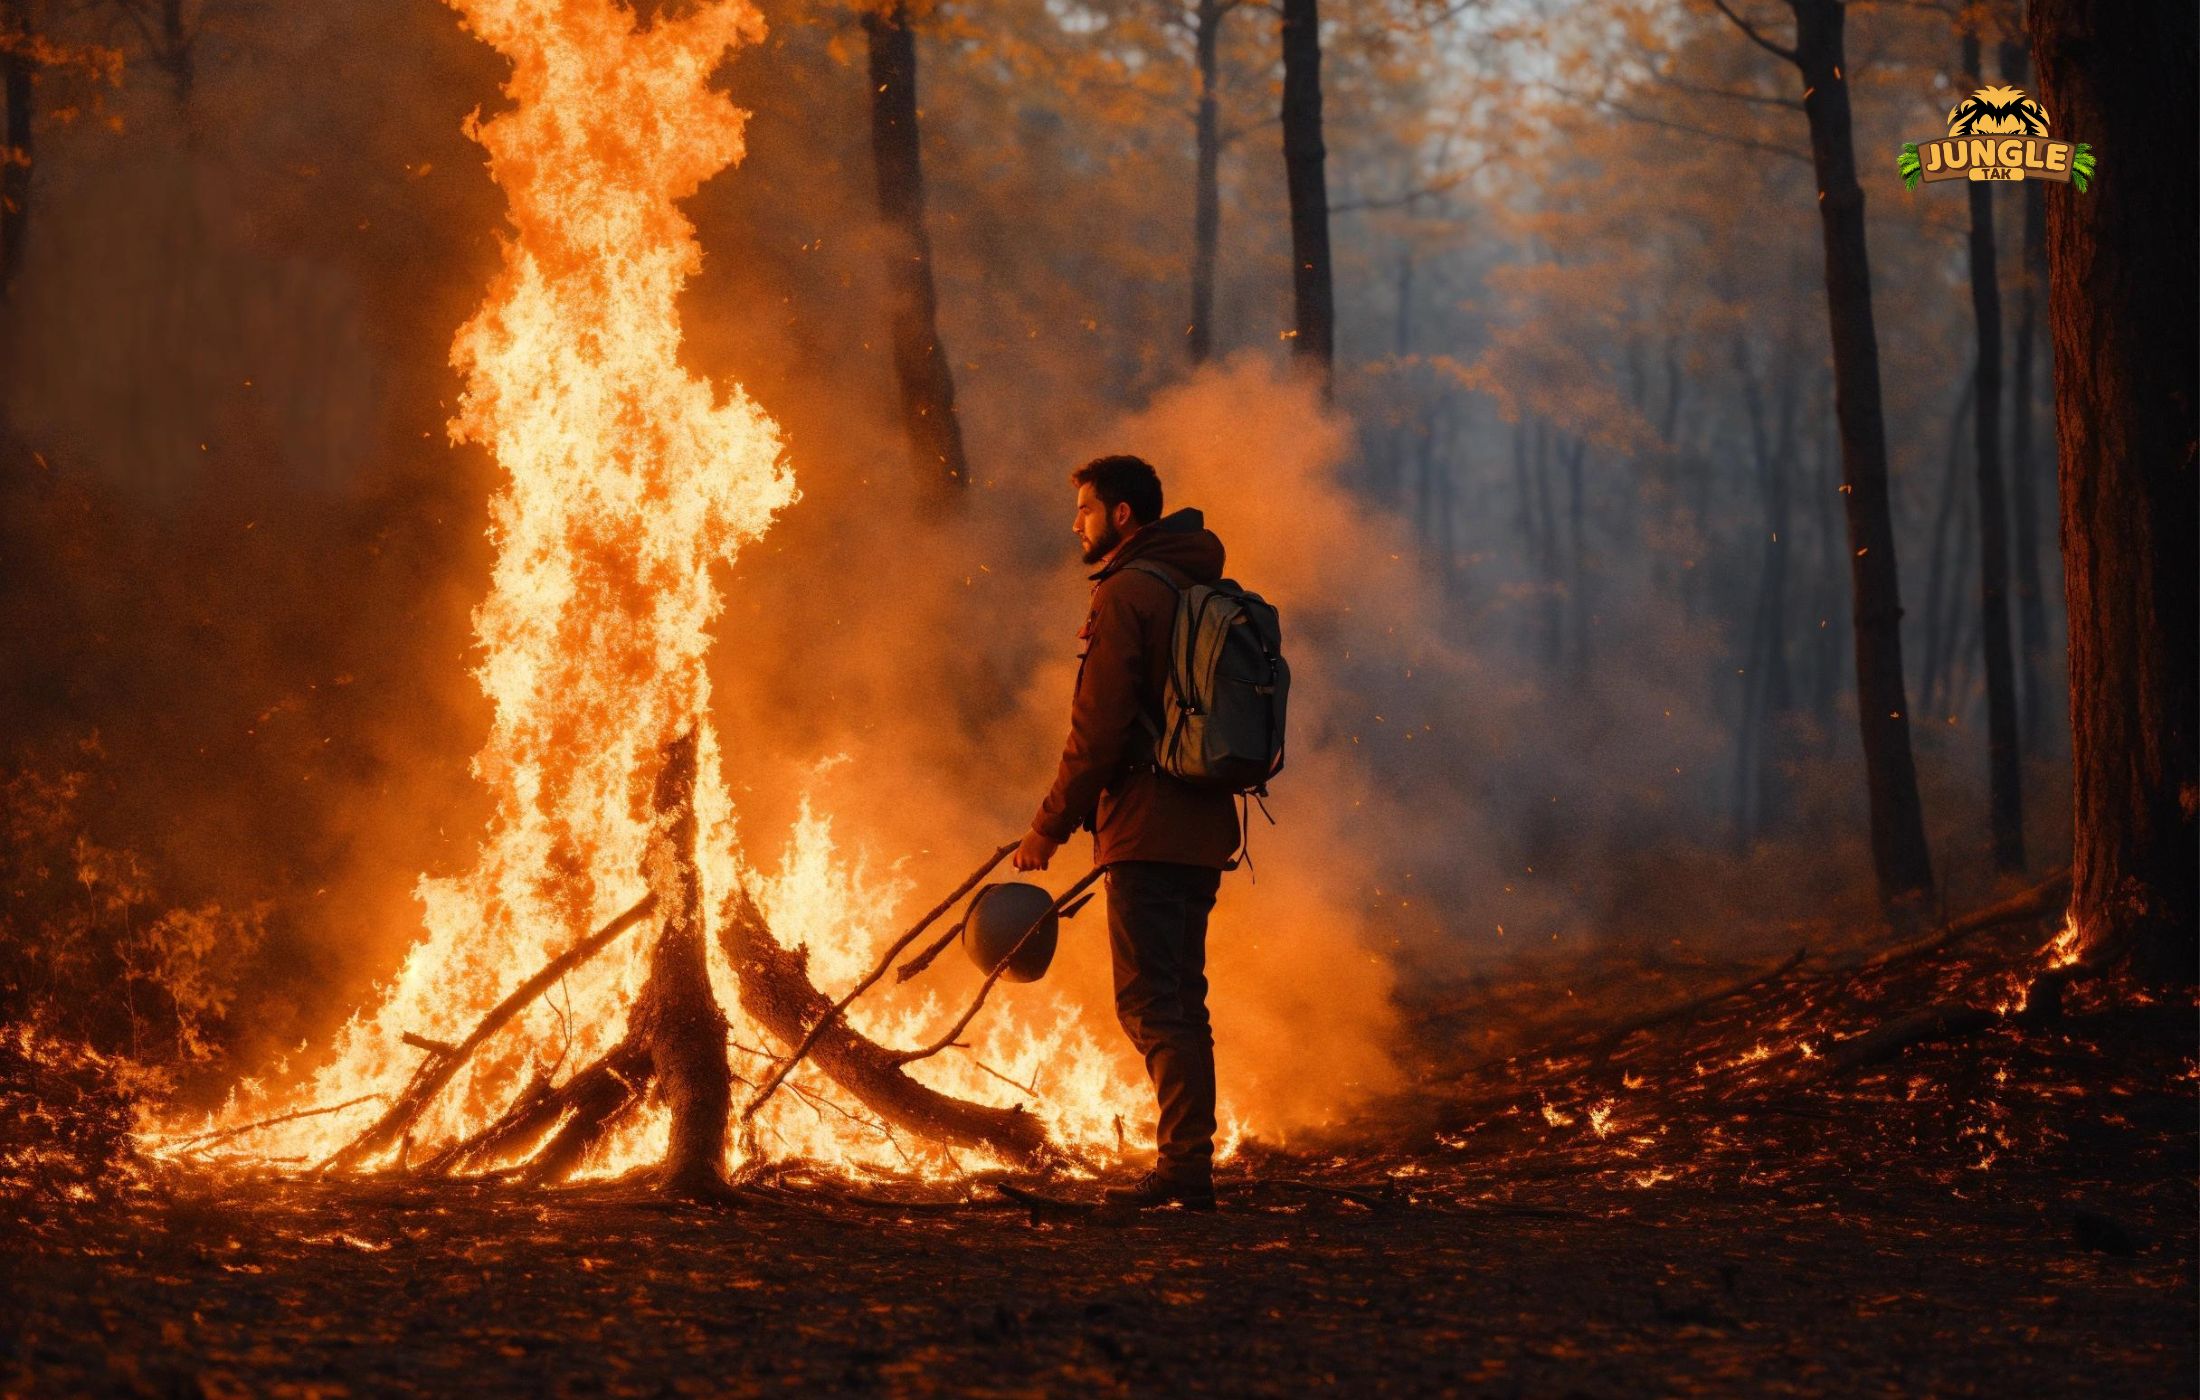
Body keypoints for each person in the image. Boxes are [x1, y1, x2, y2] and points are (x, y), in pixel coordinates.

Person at [1013, 454, 1239, 1211]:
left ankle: (1182, 1171)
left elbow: (1098, 729)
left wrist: (1048, 828)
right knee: (1182, 998)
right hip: (1201, 823)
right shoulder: (1194, 585)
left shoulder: (1128, 594)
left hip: (1147, 826)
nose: (1074, 521)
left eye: (1085, 508)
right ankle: (1189, 1162)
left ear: (1122, 516)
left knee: (1152, 1004)